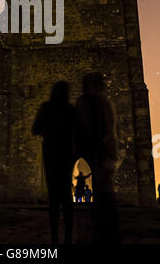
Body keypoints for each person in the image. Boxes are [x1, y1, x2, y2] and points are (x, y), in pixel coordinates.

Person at [75, 72, 120, 244]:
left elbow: (109, 130)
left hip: (100, 153)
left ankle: (106, 234)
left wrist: (108, 153)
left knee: (104, 196)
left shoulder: (99, 104)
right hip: (95, 153)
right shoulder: (90, 103)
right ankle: (103, 234)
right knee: (102, 197)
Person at [32, 81, 75, 244]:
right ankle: (69, 238)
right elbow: (78, 130)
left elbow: (34, 129)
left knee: (54, 198)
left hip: (50, 154)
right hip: (67, 154)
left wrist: (45, 131)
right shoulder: (71, 110)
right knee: (66, 197)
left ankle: (55, 239)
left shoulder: (46, 108)